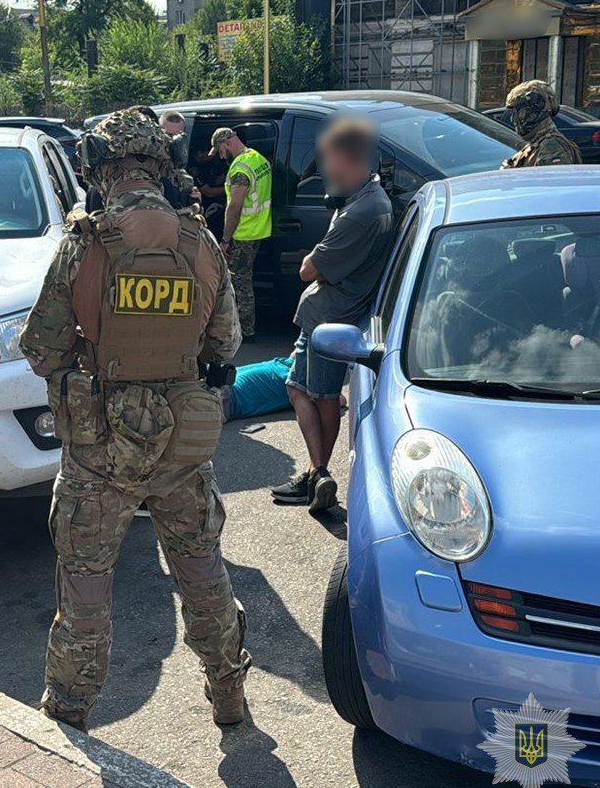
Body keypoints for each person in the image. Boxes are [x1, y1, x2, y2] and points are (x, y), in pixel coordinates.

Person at [20, 107, 252, 732]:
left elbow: (40, 349)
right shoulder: (199, 241)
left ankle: (69, 713)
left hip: (98, 446)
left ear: (99, 168)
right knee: (201, 569)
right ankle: (228, 692)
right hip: (183, 442)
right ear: (160, 164)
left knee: (86, 584)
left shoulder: (83, 244)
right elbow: (226, 343)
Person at [272, 118, 394, 512]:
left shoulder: (363, 211)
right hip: (326, 315)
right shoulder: (362, 197)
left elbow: (309, 269)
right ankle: (315, 472)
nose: (324, 167)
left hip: (331, 319)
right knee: (302, 389)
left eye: (328, 158)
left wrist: (314, 259)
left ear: (348, 156)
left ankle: (320, 473)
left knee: (319, 396)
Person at [212, 127, 272, 338]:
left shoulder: (239, 169)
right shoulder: (257, 158)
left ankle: (245, 330)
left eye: (220, 150)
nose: (221, 156)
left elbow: (235, 206)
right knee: (244, 279)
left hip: (243, 233)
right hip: (259, 228)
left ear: (227, 142)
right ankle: (246, 328)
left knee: (239, 283)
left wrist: (225, 240)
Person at [501, 79, 583, 168]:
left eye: (519, 111)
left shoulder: (552, 146)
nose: (513, 118)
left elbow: (551, 176)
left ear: (534, 110)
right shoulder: (536, 143)